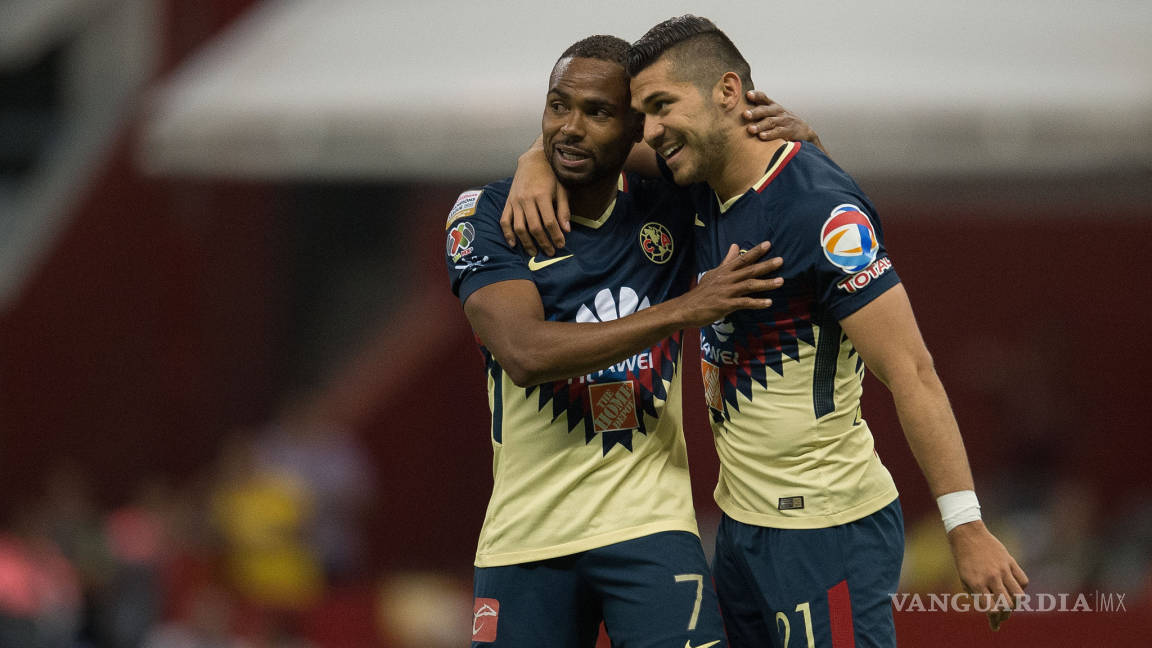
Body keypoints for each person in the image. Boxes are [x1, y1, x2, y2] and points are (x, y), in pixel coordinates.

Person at [507, 15, 1029, 647]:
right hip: (740, 529)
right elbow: (600, 145)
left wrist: (965, 526)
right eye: (643, 112)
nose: (651, 131)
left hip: (827, 529)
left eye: (663, 106)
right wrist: (534, 160)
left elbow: (913, 372)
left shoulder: (820, 210)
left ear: (728, 92)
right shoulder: (695, 181)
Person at [444, 34, 821, 648]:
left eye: (597, 113)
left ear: (637, 129)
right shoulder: (486, 214)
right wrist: (685, 309)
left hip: (651, 529)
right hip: (527, 536)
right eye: (557, 106)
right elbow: (524, 353)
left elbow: (788, 195)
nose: (569, 127)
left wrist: (803, 143)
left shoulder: (672, 202)